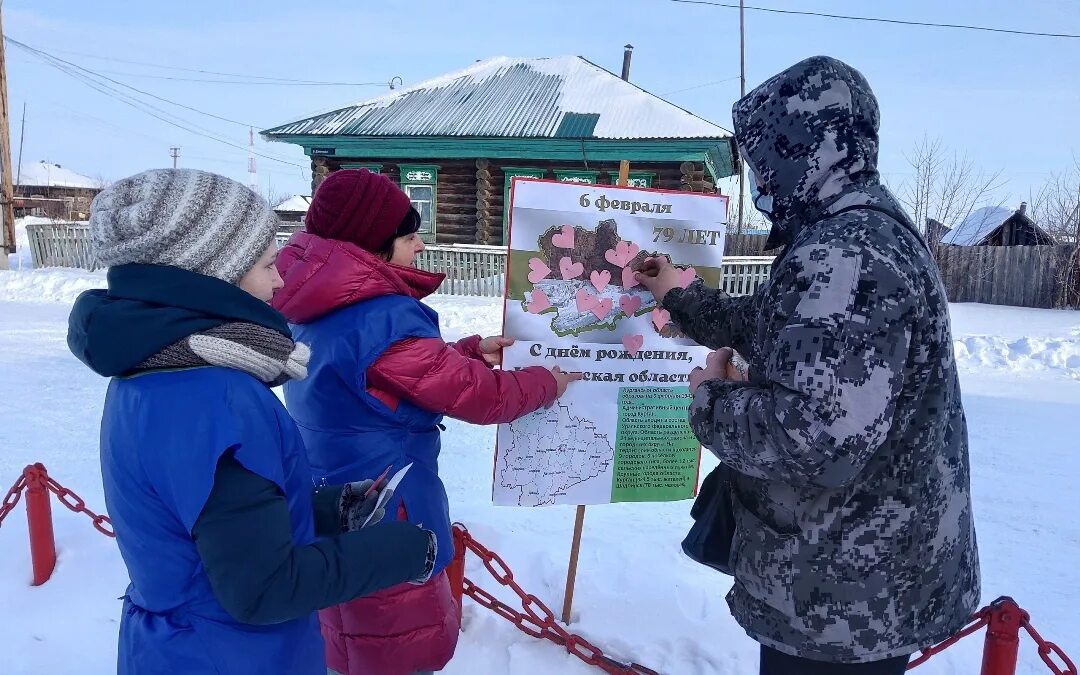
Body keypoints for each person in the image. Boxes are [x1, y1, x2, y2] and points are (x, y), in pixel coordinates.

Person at [636, 56, 980, 675]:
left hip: (844, 598)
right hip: (864, 578)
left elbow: (812, 439)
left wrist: (711, 398)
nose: (759, 178)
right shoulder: (860, 228)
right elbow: (788, 331)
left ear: (804, 149)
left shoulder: (845, 252)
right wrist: (678, 299)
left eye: (765, 156)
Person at [67, 168, 437, 675]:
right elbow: (263, 589)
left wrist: (325, 510)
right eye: (267, 265)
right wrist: (402, 550)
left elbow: (206, 517)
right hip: (234, 655)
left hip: (176, 646)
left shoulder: (148, 371)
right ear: (212, 276)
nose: (281, 280)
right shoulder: (218, 397)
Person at [272, 168, 581, 675]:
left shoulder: (319, 303)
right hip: (384, 507)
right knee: (391, 643)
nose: (420, 245)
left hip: (331, 498)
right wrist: (547, 382)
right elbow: (479, 399)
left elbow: (375, 378)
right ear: (375, 242)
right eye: (409, 235)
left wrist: (466, 352)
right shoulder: (378, 315)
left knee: (347, 633)